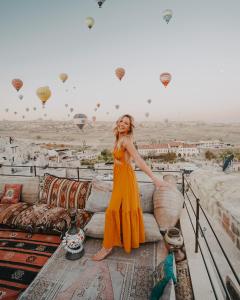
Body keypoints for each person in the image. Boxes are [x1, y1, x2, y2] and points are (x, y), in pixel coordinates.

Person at [92, 114, 171, 261]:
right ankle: (123, 240)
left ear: (129, 128)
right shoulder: (118, 138)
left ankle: (107, 247)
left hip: (126, 181)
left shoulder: (127, 140)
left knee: (112, 211)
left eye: (126, 123)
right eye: (121, 121)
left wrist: (154, 178)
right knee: (120, 209)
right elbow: (120, 158)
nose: (122, 124)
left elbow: (139, 160)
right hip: (119, 180)